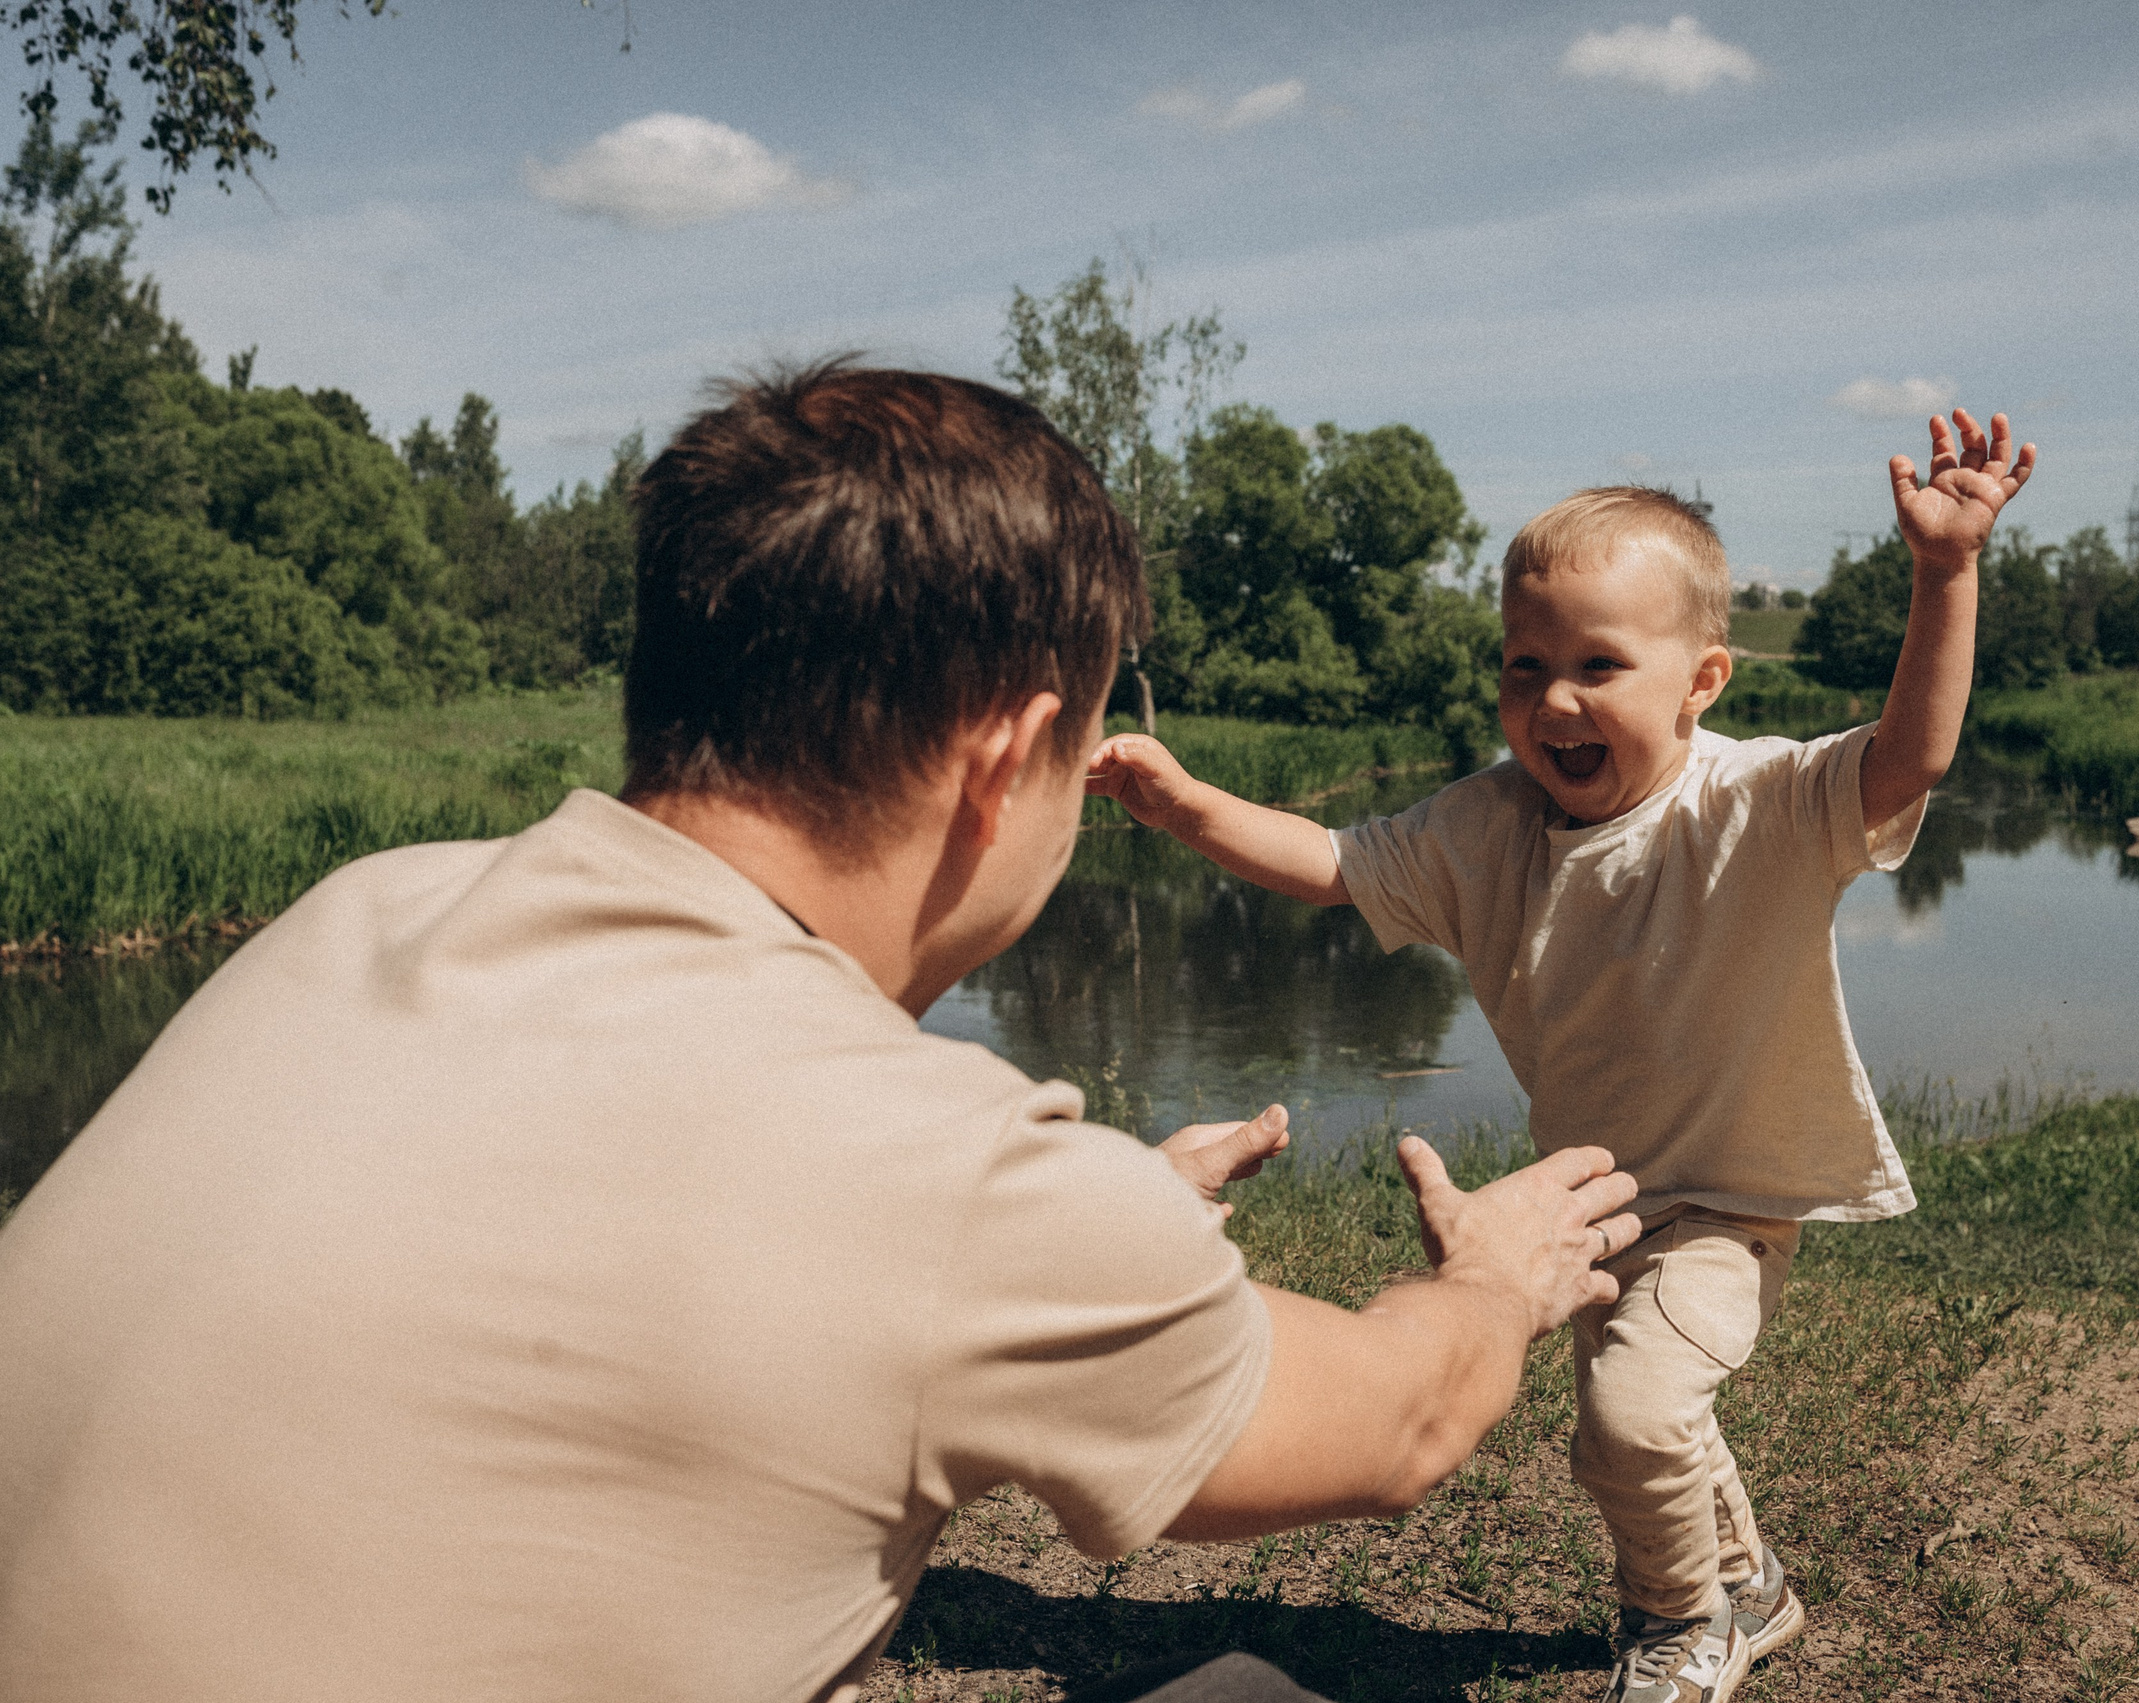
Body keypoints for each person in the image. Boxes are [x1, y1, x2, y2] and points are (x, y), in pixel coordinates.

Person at [0, 361, 1645, 1703]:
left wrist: (1064, 1252)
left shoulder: (362, 907)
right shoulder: (942, 1188)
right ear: (1010, 761)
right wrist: (1488, 1280)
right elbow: (1401, 1424)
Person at [1087, 410, 2037, 1703]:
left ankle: (1681, 1623)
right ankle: (1749, 1584)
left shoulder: (1756, 805)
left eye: (1600, 664)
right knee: (1648, 1427)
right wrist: (1186, 802)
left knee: (1633, 1422)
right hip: (1587, 1201)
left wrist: (1945, 575)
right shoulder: (1485, 824)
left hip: (1729, 1197)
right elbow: (1332, 868)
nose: (1556, 701)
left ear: (1704, 681)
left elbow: (1910, 756)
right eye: (1524, 667)